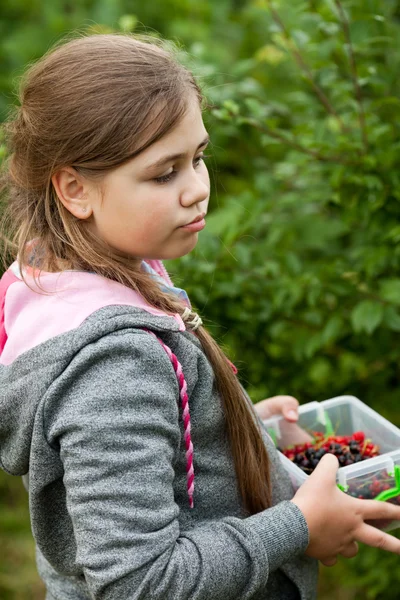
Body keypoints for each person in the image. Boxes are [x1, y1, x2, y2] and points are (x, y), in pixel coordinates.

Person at [0, 33, 399, 600]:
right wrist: (300, 527)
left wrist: (228, 431)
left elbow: (122, 457)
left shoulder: (61, 281)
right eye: (165, 173)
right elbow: (140, 582)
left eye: (199, 157)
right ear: (74, 189)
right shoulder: (113, 365)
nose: (197, 191)